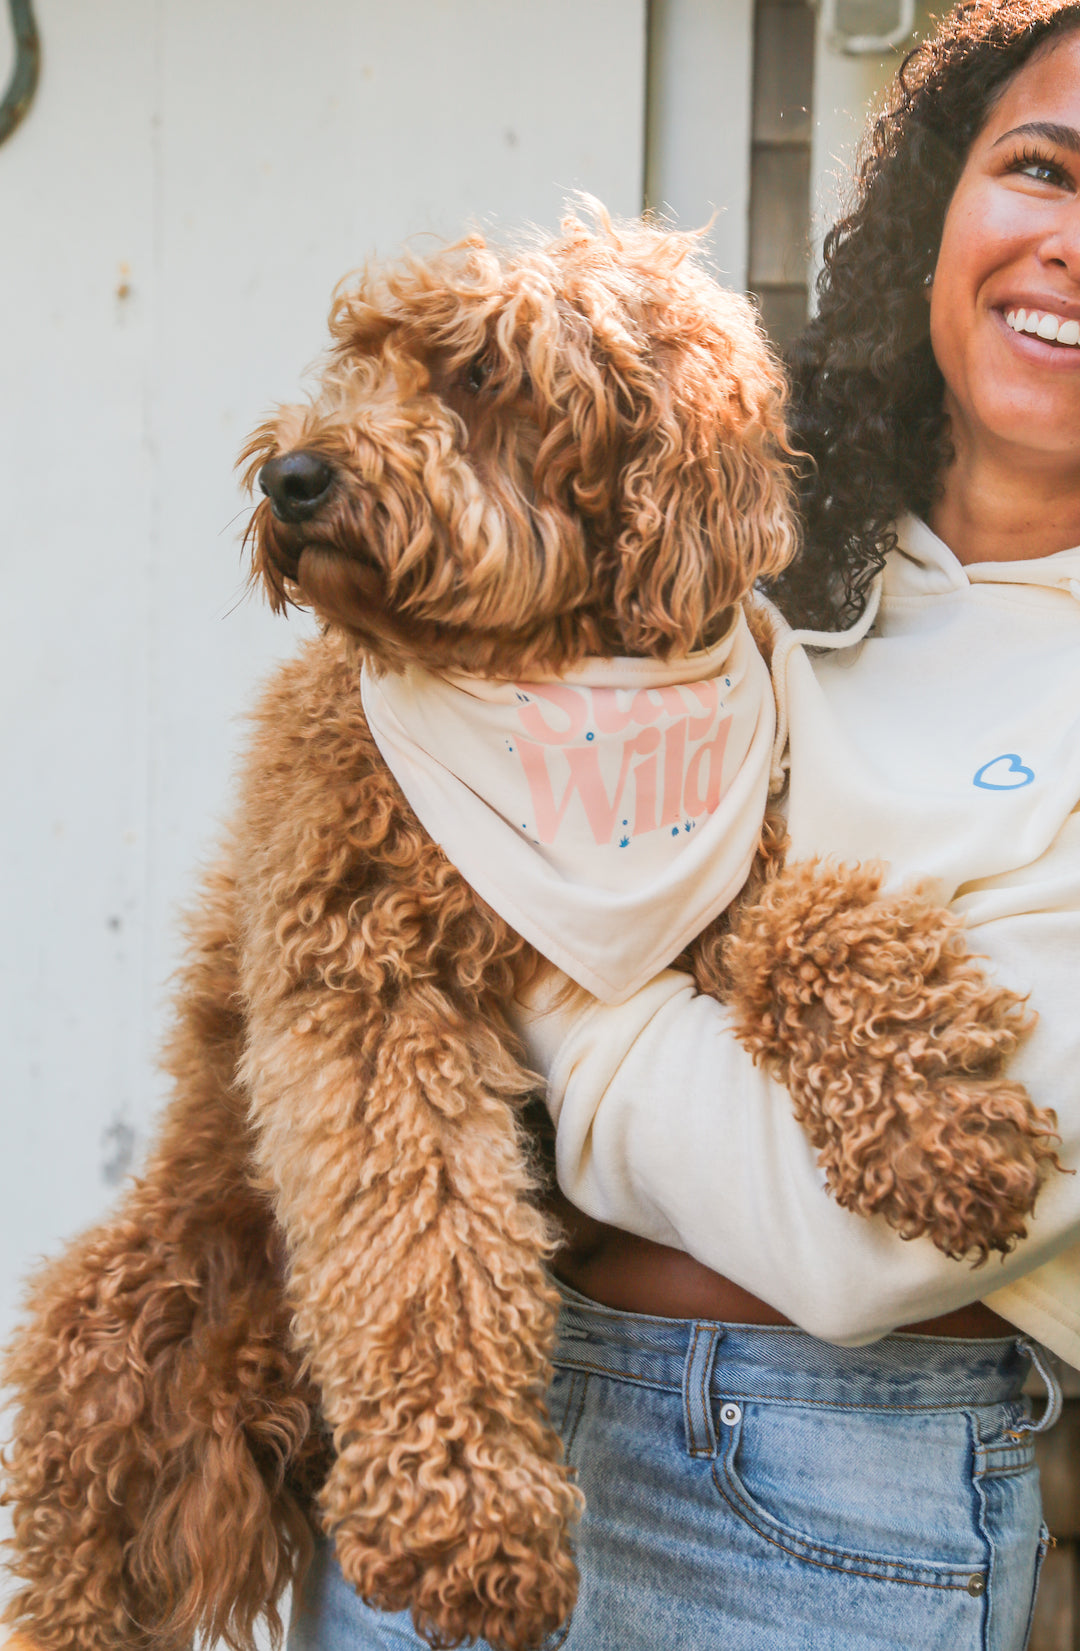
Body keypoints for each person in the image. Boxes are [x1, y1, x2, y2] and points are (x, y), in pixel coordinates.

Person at [287, 2, 1080, 1647]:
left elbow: (867, 1241)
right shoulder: (705, 557)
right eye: (1041, 169)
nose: (1072, 249)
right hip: (452, 1437)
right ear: (943, 203)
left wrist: (512, 966)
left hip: (828, 1493)